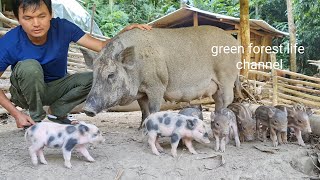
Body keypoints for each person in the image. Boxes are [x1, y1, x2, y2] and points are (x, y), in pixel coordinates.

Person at [0, 0, 152, 129]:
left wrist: (123, 32)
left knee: (97, 78)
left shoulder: (63, 28)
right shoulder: (10, 41)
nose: (36, 23)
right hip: (24, 94)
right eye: (28, 18)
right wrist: (16, 114)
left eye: (42, 16)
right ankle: (36, 121)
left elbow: (101, 46)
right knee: (30, 67)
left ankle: (57, 111)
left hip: (58, 87)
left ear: (51, 14)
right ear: (18, 19)